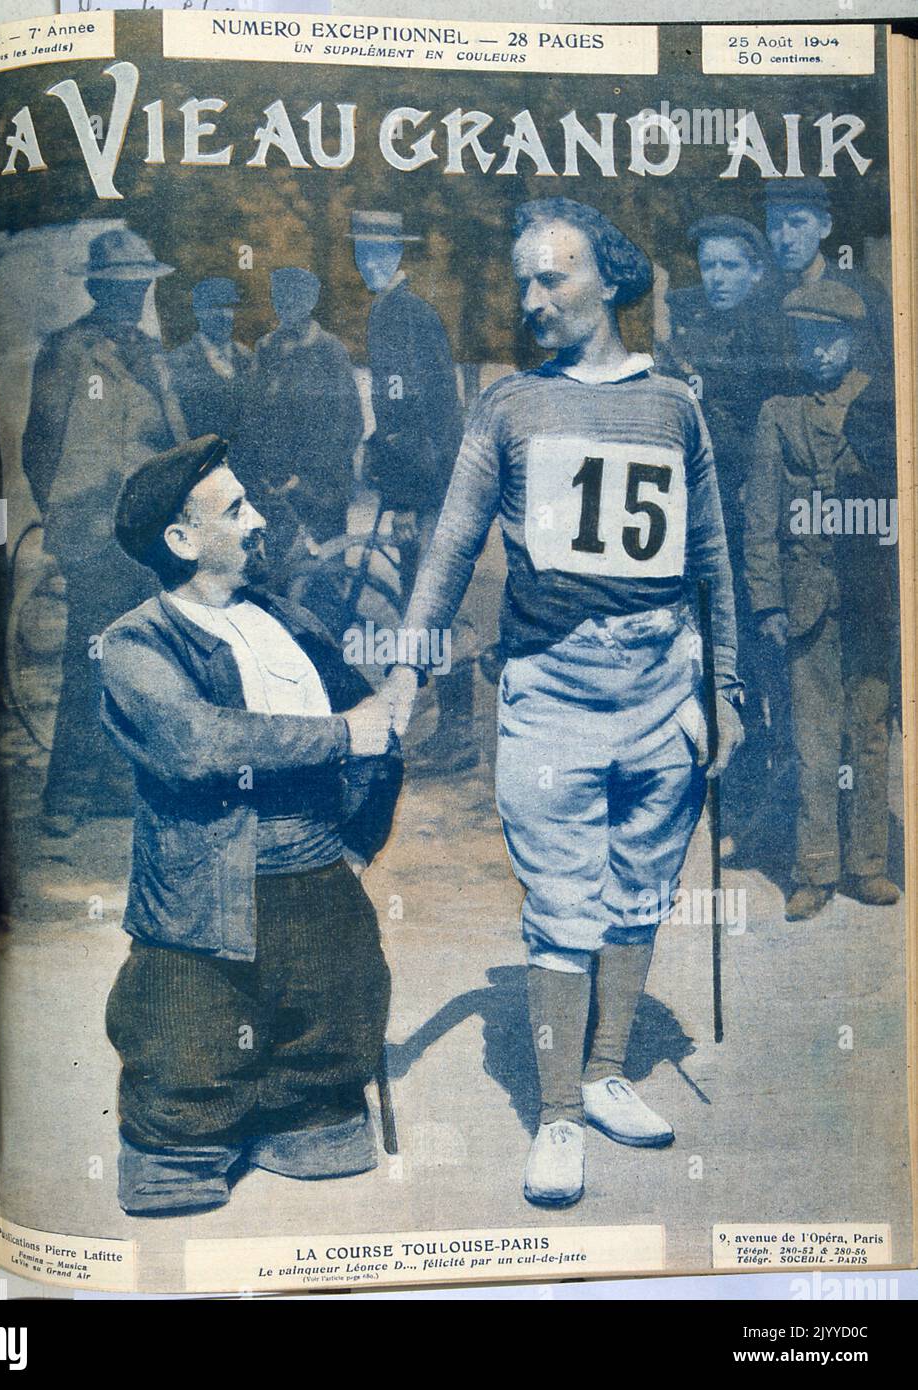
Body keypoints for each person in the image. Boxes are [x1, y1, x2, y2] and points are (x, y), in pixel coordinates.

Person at [383, 197, 743, 1207]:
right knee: (559, 907)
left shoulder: (674, 405)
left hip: (664, 683)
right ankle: (554, 1115)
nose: (534, 299)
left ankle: (606, 1070)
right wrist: (409, 660)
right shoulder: (507, 406)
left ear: (611, 280)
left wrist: (726, 690)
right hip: (549, 688)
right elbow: (452, 542)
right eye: (524, 283)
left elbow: (710, 561)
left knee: (637, 890)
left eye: (554, 277)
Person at [100, 434, 401, 1215]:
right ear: (181, 539)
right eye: (237, 508)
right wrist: (342, 737)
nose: (260, 519)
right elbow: (197, 743)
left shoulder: (288, 621)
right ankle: (183, 1146)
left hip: (318, 875)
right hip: (204, 903)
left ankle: (306, 1116)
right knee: (188, 1041)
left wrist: (356, 846)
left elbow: (379, 727)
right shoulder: (137, 642)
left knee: (336, 1023)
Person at [21, 226, 186, 837]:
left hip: (144, 538)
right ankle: (66, 793)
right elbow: (38, 445)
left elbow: (174, 441)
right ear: (97, 288)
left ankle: (118, 782)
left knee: (138, 658)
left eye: (140, 284)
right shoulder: (67, 350)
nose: (132, 295)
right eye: (119, 286)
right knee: (86, 657)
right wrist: (66, 515)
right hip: (91, 533)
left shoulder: (154, 357)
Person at [744, 281, 899, 921]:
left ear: (855, 340)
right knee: (811, 741)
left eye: (830, 339)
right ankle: (814, 870)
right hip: (805, 597)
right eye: (808, 340)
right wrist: (767, 603)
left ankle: (868, 866)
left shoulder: (883, 405)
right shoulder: (778, 413)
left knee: (867, 735)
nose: (819, 352)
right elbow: (759, 517)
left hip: (869, 601)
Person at [655, 215, 791, 857]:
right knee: (705, 660)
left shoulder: (774, 339)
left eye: (732, 265)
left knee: (763, 669)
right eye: (709, 265)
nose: (718, 278)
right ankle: (721, 799)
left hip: (756, 530)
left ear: (757, 273)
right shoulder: (688, 338)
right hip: (698, 528)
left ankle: (769, 810)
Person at [350, 209, 473, 771]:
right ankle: (448, 724)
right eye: (363, 253)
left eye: (382, 253)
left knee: (432, 604)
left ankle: (460, 731)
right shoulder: (387, 314)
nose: (371, 263)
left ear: (400, 255)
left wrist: (404, 498)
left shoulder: (410, 316)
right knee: (420, 604)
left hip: (426, 485)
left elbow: (427, 415)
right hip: (416, 478)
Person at [245, 266, 363, 551]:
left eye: (296, 298)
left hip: (322, 488)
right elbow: (254, 415)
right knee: (280, 572)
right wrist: (269, 474)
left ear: (311, 302)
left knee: (324, 574)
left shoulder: (330, 350)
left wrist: (308, 479)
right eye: (280, 298)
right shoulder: (266, 348)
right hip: (275, 486)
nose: (286, 306)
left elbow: (350, 423)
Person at [765, 178, 892, 377]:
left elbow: (889, 368)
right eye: (774, 224)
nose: (786, 238)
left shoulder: (864, 291)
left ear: (824, 227)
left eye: (798, 223)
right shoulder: (764, 297)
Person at [165, 276, 253, 442]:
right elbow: (177, 423)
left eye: (228, 307)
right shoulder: (180, 360)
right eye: (214, 307)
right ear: (198, 312)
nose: (223, 315)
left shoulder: (247, 357)